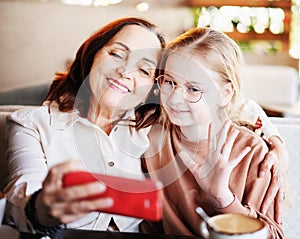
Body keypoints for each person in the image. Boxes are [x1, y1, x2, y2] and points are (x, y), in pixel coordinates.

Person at [3, 17, 166, 236]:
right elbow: (21, 197)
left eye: (144, 70)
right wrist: (41, 209)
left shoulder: (153, 131)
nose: (125, 72)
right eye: (117, 55)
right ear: (92, 56)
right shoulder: (31, 124)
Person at [141, 27, 286, 238]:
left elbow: (274, 235)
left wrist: (223, 198)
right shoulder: (151, 136)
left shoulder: (252, 152)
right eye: (169, 82)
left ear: (225, 94)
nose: (174, 98)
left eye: (193, 89)